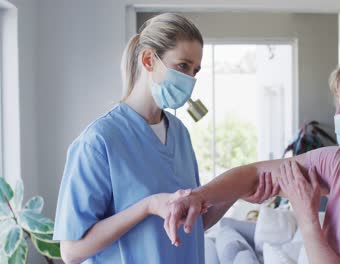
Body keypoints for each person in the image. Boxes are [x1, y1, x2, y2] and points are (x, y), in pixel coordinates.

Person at [165, 49, 340, 263]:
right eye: (338, 101)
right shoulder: (338, 165)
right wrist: (199, 198)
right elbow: (253, 174)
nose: (338, 114)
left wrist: (306, 215)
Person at [53, 13, 275, 264]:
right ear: (149, 59)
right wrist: (147, 206)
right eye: (183, 66)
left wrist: (235, 190)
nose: (190, 79)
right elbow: (71, 251)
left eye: (195, 70)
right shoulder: (99, 140)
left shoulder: (179, 133)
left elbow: (193, 223)